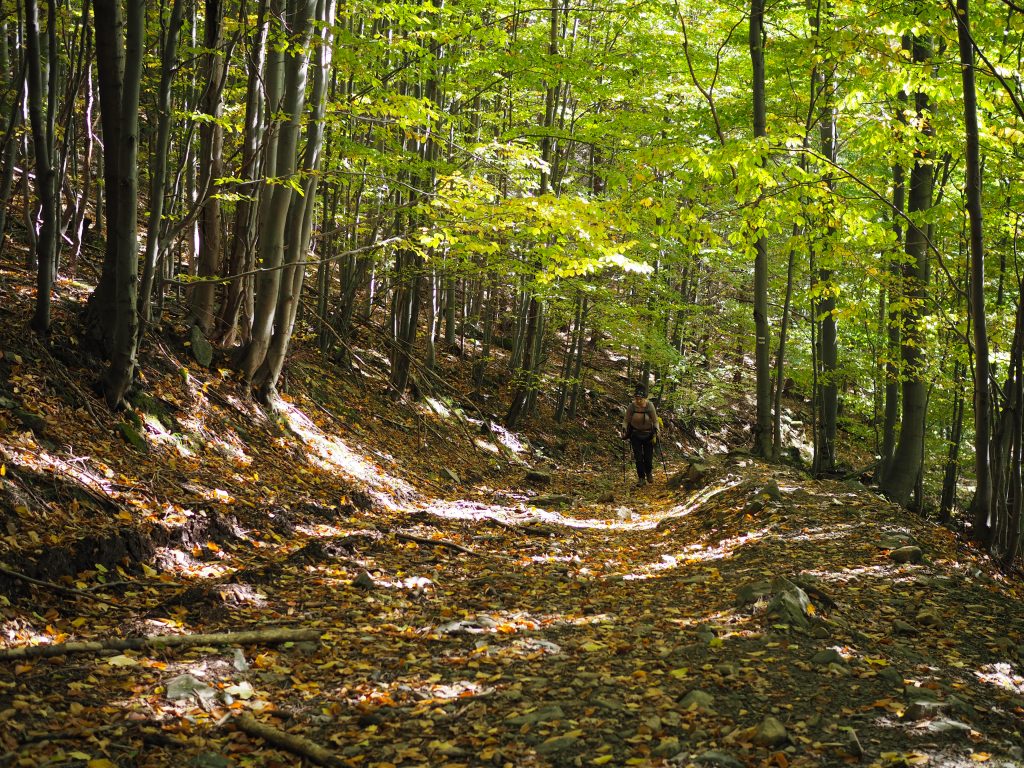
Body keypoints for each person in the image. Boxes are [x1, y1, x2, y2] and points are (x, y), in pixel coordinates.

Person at [623, 385, 658, 486]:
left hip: (648, 434)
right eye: (636, 398)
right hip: (635, 434)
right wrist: (624, 427)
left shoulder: (649, 406)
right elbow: (626, 420)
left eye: (640, 399)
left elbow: (655, 421)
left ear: (645, 398)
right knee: (638, 458)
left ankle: (649, 473)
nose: (638, 400)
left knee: (648, 457)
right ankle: (641, 478)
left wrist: (657, 430)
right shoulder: (631, 406)